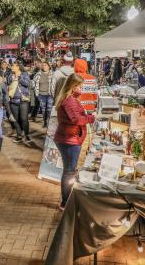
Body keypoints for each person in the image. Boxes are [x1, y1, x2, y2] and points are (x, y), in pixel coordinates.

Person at [54, 74, 94, 211]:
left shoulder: (70, 99)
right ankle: (65, 202)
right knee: (69, 171)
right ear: (73, 86)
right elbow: (76, 119)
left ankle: (67, 199)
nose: (81, 89)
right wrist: (90, 118)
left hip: (69, 138)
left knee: (70, 170)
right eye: (80, 86)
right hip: (69, 140)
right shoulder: (69, 100)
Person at [7, 61, 32, 143]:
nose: (12, 67)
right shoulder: (10, 75)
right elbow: (8, 83)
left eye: (13, 66)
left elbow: (27, 84)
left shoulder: (24, 74)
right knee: (16, 120)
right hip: (13, 100)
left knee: (24, 119)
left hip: (23, 100)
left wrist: (19, 78)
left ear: (18, 67)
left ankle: (27, 135)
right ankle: (19, 135)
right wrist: (11, 79)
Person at [33, 61, 54, 128]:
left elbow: (55, 83)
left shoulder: (52, 74)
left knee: (49, 109)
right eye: (43, 65)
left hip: (50, 94)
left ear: (49, 66)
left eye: (45, 65)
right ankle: (45, 122)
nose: (44, 66)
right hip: (41, 94)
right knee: (44, 109)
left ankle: (48, 121)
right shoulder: (38, 74)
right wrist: (35, 89)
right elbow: (33, 81)